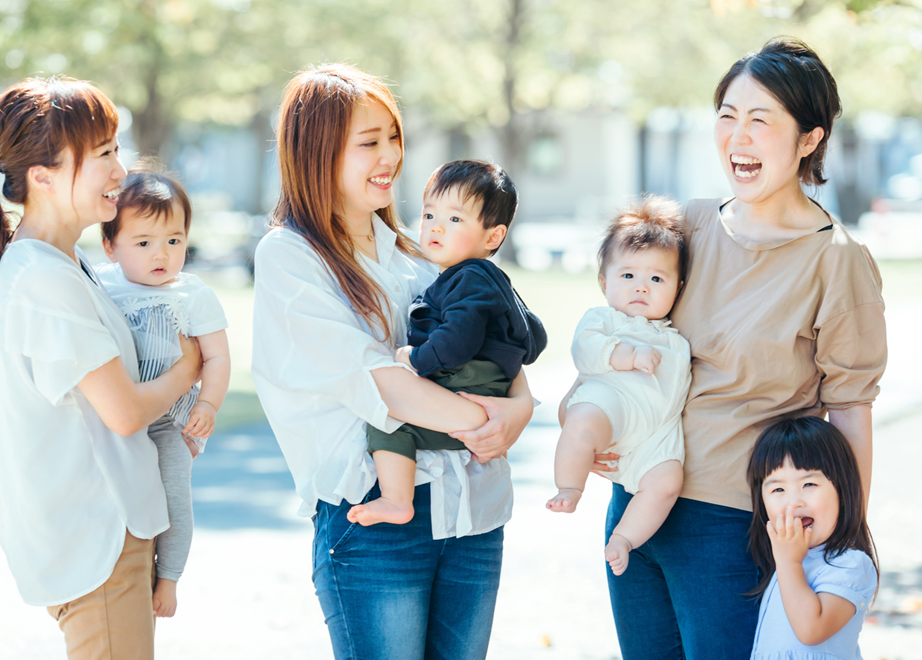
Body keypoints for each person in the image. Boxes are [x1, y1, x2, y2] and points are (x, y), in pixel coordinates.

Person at [567, 38, 886, 658]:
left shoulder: (836, 262)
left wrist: (840, 543)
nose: (738, 137)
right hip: (637, 506)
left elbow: (850, 408)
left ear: (809, 139)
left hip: (738, 524)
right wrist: (582, 413)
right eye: (727, 116)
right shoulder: (686, 226)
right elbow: (621, 330)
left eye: (760, 120)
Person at [250, 64, 535, 660]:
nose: (391, 156)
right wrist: (489, 421)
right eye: (369, 142)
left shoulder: (416, 249)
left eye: (394, 136)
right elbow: (385, 387)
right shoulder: (291, 258)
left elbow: (493, 337)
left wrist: (523, 408)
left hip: (469, 512)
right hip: (378, 524)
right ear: (318, 152)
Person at [0, 77, 201, 659]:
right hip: (97, 542)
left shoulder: (64, 261)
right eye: (104, 154)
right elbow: (123, 411)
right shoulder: (41, 278)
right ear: (42, 176)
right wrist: (190, 366)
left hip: (108, 534)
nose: (121, 170)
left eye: (118, 149)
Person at [348, 159, 547, 527]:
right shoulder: (491, 280)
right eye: (428, 215)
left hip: (467, 385)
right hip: (486, 388)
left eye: (455, 219)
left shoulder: (467, 278)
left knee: (389, 420)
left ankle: (395, 500)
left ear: (493, 237)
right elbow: (534, 337)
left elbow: (457, 340)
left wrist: (415, 358)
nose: (436, 226)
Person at [97, 165, 231, 618]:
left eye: (174, 240)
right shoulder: (100, 286)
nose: (162, 254)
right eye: (144, 242)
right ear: (109, 246)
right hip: (116, 418)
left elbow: (216, 357)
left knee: (175, 498)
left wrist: (209, 402)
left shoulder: (191, 294)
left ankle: (169, 577)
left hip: (169, 424)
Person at [548, 197, 691, 578]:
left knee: (666, 481)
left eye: (656, 279)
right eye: (628, 276)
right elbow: (585, 350)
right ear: (604, 282)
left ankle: (624, 538)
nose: (641, 287)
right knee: (582, 418)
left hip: (654, 435)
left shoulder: (677, 339)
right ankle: (569, 487)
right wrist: (627, 355)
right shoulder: (604, 320)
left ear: (679, 287)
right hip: (610, 403)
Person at [747, 416, 878, 659]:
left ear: (843, 488)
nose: (794, 501)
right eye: (778, 489)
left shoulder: (850, 564)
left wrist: (789, 563)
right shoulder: (789, 562)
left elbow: (811, 630)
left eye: (809, 484)